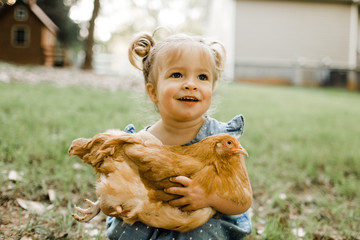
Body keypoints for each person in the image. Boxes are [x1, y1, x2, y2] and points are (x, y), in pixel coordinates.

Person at [106, 29, 252, 240]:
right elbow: (118, 187)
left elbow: (243, 200)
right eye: (177, 75)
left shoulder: (222, 140)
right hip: (149, 224)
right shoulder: (140, 144)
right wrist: (113, 205)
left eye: (202, 77)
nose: (191, 84)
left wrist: (209, 198)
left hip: (201, 225)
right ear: (153, 92)